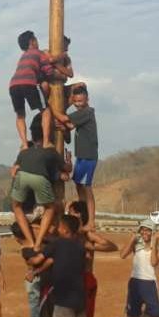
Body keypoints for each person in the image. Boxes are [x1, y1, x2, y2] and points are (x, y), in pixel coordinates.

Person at [28, 215, 87, 317]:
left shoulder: (57, 244)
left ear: (65, 230)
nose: (57, 229)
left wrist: (30, 258)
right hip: (80, 298)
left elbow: (37, 260)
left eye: (59, 227)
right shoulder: (80, 246)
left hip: (63, 300)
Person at [10, 121, 72, 251]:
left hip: (27, 206)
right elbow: (67, 170)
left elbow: (14, 171)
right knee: (51, 208)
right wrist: (68, 161)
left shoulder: (24, 153)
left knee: (16, 207)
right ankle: (38, 242)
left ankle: (32, 241)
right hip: (36, 207)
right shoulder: (50, 152)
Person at [68, 201, 118, 317]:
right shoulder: (68, 232)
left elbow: (112, 246)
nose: (69, 214)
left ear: (79, 214)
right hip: (70, 281)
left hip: (85, 279)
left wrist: (91, 247)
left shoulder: (88, 235)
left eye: (72, 212)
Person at [55, 86, 99, 230]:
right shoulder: (81, 114)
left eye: (81, 101)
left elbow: (64, 118)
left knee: (86, 188)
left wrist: (51, 109)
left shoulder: (87, 112)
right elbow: (70, 125)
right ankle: (83, 216)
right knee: (78, 185)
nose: (78, 104)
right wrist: (63, 127)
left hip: (88, 156)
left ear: (87, 99)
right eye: (76, 102)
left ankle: (91, 221)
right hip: (80, 156)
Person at [120, 219, 159, 317]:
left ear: (153, 232)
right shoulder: (136, 245)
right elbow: (122, 255)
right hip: (135, 283)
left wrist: (154, 242)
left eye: (148, 230)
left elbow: (153, 262)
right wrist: (131, 239)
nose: (145, 232)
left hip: (149, 285)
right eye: (143, 230)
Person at [9, 30, 56, 149]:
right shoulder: (39, 53)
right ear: (32, 41)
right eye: (36, 39)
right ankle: (46, 142)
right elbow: (49, 72)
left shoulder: (23, 56)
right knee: (45, 111)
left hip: (14, 85)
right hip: (29, 83)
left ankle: (24, 144)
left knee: (20, 115)